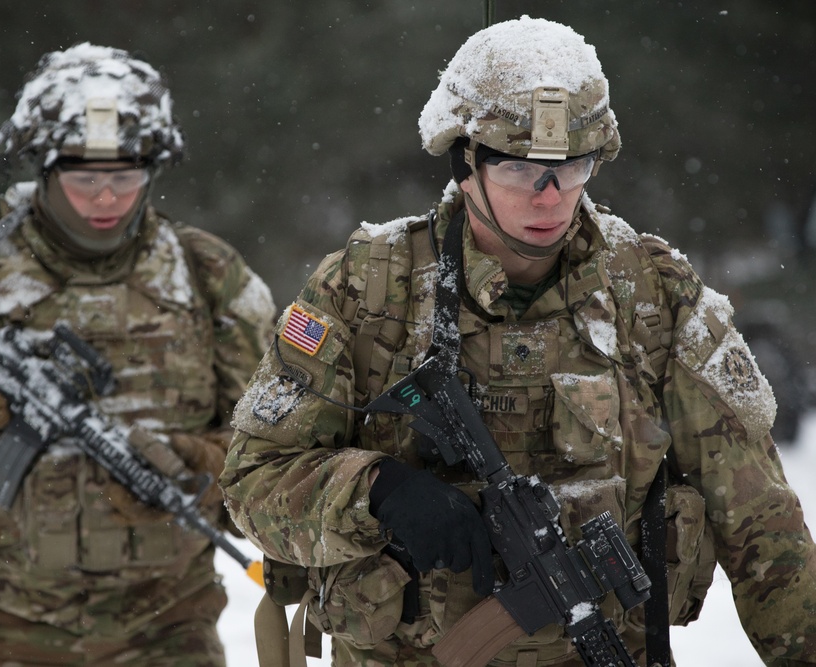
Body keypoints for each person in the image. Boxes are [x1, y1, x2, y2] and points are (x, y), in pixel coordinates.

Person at [220, 16, 816, 667]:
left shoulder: (655, 293)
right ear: (465, 163)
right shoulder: (365, 288)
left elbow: (766, 529)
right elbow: (253, 479)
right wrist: (376, 492)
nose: (550, 196)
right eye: (520, 169)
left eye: (573, 167)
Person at [0, 43, 275, 666]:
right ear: (44, 168)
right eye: (85, 179)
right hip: (7, 624)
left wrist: (203, 467)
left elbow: (280, 440)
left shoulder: (207, 274)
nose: (106, 198)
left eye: (125, 177)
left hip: (171, 622)